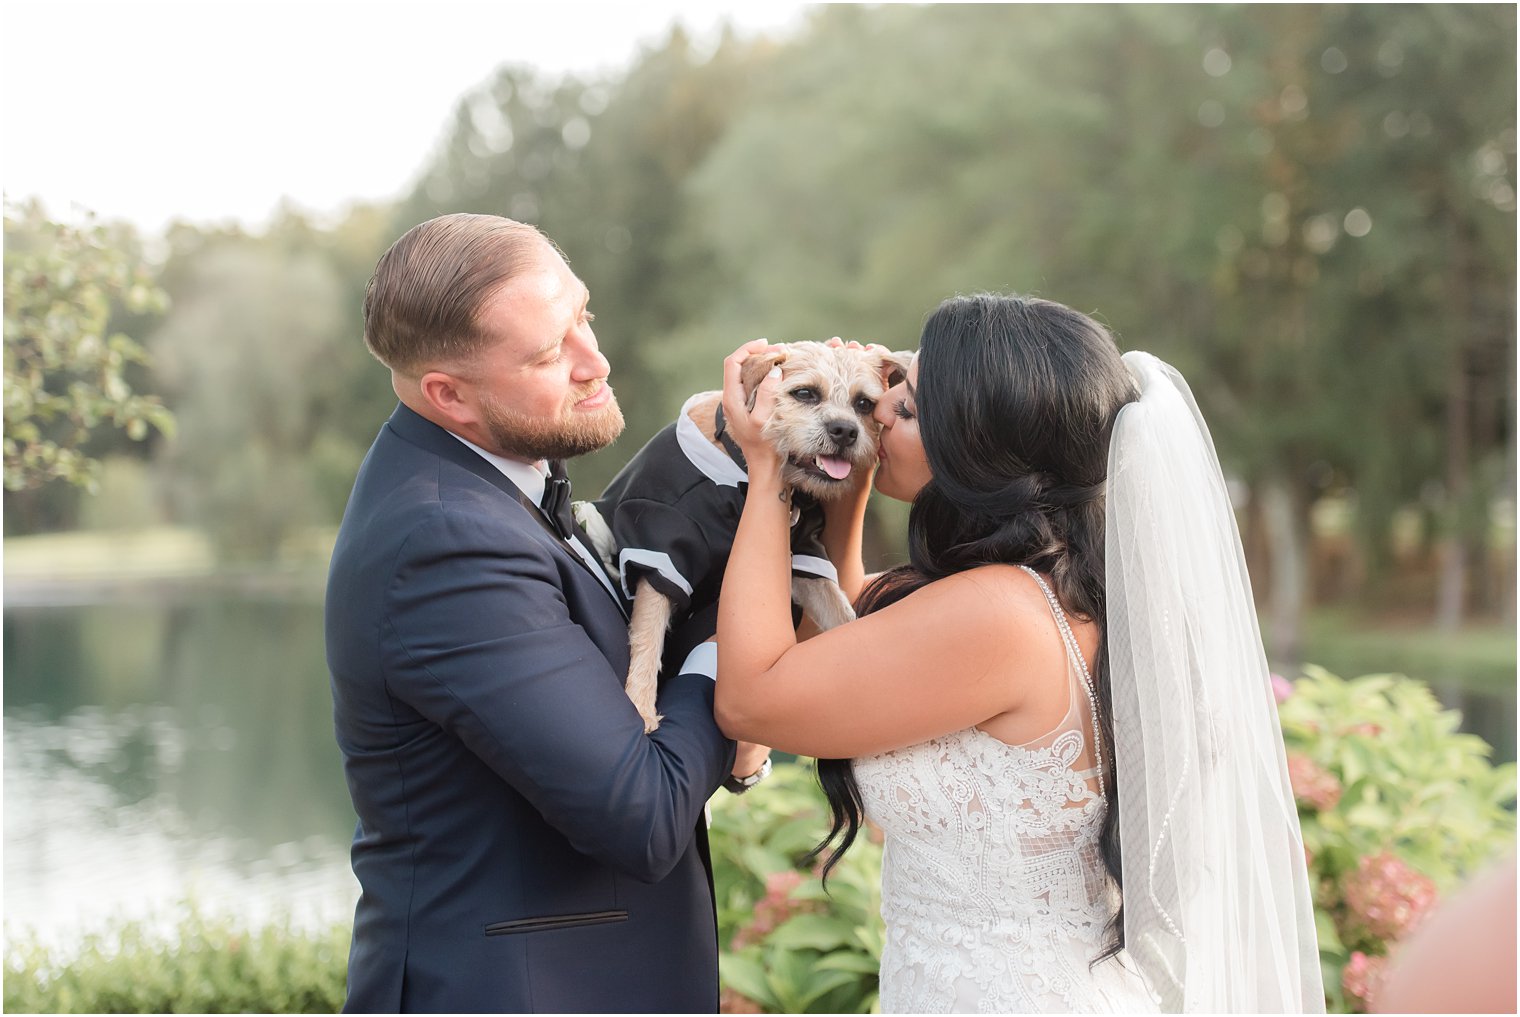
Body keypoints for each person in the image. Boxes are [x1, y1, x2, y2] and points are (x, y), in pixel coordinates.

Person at [711, 294, 1325, 1012]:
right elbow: (851, 623)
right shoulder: (1044, 591)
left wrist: (762, 470)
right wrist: (838, 455)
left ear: (977, 452)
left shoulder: (997, 613)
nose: (878, 410)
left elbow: (750, 696)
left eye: (906, 407)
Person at [325, 213, 767, 1013]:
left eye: (583, 317)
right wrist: (730, 639)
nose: (595, 360)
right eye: (546, 353)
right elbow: (643, 811)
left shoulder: (500, 479)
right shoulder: (443, 540)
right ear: (448, 394)